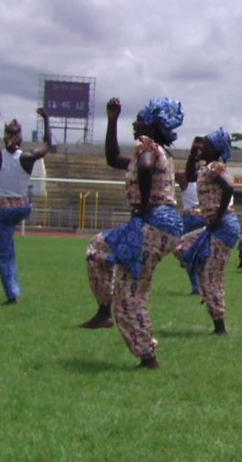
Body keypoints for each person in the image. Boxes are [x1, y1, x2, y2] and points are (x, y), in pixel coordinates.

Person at [79, 97, 185, 369]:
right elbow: (113, 158)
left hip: (152, 223)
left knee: (126, 289)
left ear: (151, 123)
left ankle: (146, 355)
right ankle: (105, 311)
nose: (135, 123)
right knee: (102, 253)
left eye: (140, 118)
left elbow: (146, 167)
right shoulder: (162, 151)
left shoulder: (147, 147)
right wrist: (112, 120)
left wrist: (143, 205)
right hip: (166, 226)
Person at [172, 128, 240, 335]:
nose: (203, 146)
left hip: (223, 226)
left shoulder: (215, 167)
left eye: (207, 144)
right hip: (217, 225)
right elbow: (190, 175)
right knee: (182, 246)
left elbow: (229, 188)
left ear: (216, 148)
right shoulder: (205, 167)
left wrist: (218, 217)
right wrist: (193, 152)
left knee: (212, 278)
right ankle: (201, 270)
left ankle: (220, 327)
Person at [0, 108, 51, 304]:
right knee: (10, 247)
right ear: (20, 138)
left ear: (5, 137)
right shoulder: (27, 157)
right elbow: (47, 144)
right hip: (23, 207)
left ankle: (12, 293)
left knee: (4, 254)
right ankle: (15, 289)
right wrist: (46, 119)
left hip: (4, 210)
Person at [175, 136, 205, 295]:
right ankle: (202, 282)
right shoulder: (206, 176)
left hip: (189, 217)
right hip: (203, 216)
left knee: (185, 251)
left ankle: (195, 285)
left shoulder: (182, 176)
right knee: (201, 252)